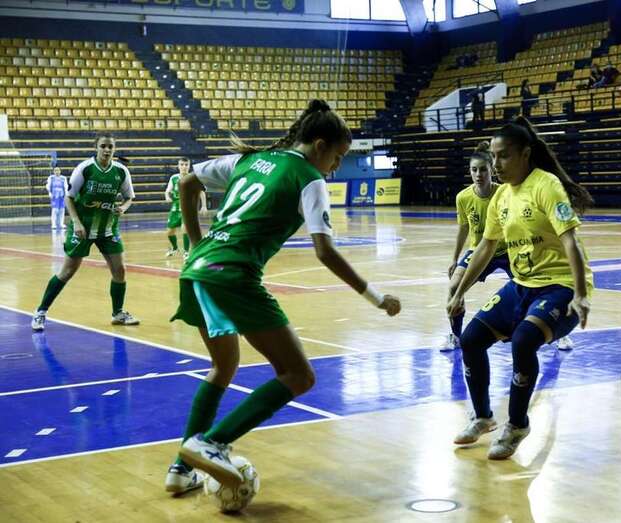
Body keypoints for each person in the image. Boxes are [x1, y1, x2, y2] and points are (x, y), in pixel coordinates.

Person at [165, 99, 402, 493]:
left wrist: (195, 242)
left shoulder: (250, 160)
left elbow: (188, 182)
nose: (336, 167)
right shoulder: (309, 178)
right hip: (234, 275)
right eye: (337, 157)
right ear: (320, 145)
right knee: (298, 375)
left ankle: (180, 470)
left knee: (223, 367)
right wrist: (376, 298)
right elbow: (325, 252)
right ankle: (211, 443)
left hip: (197, 271)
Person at [446, 116, 593, 460]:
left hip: (561, 286)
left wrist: (581, 294)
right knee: (471, 339)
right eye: (494, 157)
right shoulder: (501, 197)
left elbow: (570, 240)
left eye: (504, 156)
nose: (496, 164)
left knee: (524, 341)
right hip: (522, 284)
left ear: (526, 154)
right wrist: (460, 291)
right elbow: (485, 247)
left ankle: (517, 424)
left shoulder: (546, 185)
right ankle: (483, 417)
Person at [31, 133, 140, 331]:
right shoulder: (85, 168)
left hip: (108, 228)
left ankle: (118, 313)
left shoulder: (121, 171)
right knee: (67, 271)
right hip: (82, 227)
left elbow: (129, 197)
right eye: (103, 146)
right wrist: (76, 222)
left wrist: (123, 208)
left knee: (120, 271)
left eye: (110, 146)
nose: (107, 150)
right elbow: (69, 197)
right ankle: (41, 312)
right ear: (96, 147)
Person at [442, 141, 512, 352]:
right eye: (474, 170)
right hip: (479, 251)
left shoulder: (505, 193)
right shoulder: (463, 197)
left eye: (483, 169)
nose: (478, 174)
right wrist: (454, 259)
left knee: (537, 287)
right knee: (454, 287)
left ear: (492, 170)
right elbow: (463, 228)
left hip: (508, 250)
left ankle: (559, 336)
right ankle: (456, 336)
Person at [164, 157, 206, 258]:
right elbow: (167, 191)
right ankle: (175, 248)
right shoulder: (174, 178)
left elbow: (201, 192)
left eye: (186, 165)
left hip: (188, 208)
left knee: (185, 228)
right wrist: (167, 196)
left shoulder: (193, 178)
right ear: (178, 166)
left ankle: (186, 252)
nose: (184, 167)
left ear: (189, 166)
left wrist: (204, 206)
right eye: (182, 165)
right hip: (175, 208)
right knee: (169, 232)